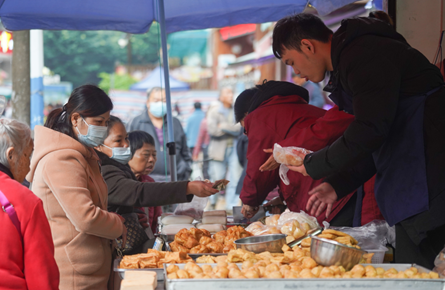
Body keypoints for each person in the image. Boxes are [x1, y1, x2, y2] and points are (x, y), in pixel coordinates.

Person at [271, 13, 445, 268]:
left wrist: (314, 164)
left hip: (430, 181)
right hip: (411, 178)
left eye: (291, 62)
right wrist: (339, 184)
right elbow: (378, 137)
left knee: (421, 272)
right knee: (414, 267)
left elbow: (370, 129)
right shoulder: (351, 59)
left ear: (308, 45)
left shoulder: (364, 53)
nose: (296, 72)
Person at [236, 81, 382, 226]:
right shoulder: (293, 109)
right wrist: (283, 199)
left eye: (246, 128)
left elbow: (259, 168)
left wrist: (250, 201)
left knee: (336, 243)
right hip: (344, 182)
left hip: (330, 190)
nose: (298, 72)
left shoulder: (260, 117)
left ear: (247, 114)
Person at [27, 85, 126, 290]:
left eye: (106, 122)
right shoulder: (62, 159)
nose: (103, 128)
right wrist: (117, 223)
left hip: (89, 267)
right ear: (75, 119)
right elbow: (86, 217)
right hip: (74, 273)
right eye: (98, 122)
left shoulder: (82, 155)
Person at [95, 116, 218, 250]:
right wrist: (188, 187)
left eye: (126, 139)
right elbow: (138, 192)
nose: (126, 145)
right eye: (118, 140)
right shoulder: (103, 171)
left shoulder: (119, 169)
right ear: (98, 145)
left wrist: (134, 215)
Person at [0, 118, 59, 290]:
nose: (29, 164)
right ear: (11, 155)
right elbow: (41, 276)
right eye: (28, 154)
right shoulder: (25, 201)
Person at [127, 87, 192, 182]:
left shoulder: (175, 123)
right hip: (144, 181)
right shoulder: (136, 123)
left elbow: (185, 151)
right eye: (156, 100)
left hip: (174, 179)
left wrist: (185, 171)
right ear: (148, 103)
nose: (160, 104)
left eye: (164, 101)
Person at [207, 87, 243, 211]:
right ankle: (213, 202)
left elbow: (240, 128)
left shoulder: (236, 109)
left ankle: (230, 206)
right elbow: (213, 130)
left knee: (235, 177)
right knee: (219, 179)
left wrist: (223, 126)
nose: (231, 95)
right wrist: (231, 129)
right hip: (218, 150)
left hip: (234, 149)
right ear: (221, 96)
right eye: (227, 93)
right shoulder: (214, 111)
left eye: (231, 92)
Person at [128, 130, 162, 231]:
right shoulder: (119, 183)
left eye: (154, 155)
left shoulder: (150, 182)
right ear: (128, 155)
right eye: (146, 155)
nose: (151, 159)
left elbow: (157, 219)